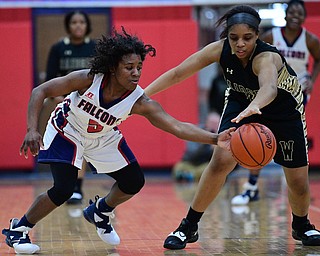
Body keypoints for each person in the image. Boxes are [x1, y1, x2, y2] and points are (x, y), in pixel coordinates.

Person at [1, 27, 234, 255]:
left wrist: (215, 139)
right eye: (129, 67)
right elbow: (39, 91)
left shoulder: (140, 101)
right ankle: (18, 229)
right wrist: (32, 129)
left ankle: (101, 211)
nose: (136, 73)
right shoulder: (88, 79)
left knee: (133, 181)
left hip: (102, 136)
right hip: (67, 130)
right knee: (63, 189)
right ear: (113, 67)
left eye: (139, 67)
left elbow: (177, 126)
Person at [144, 5, 320, 250]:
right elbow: (177, 74)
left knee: (298, 182)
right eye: (233, 38)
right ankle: (189, 226)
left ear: (257, 36)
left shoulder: (266, 57)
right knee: (219, 162)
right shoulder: (219, 50)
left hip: (284, 111)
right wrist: (140, 96)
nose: (240, 44)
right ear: (227, 36)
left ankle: (301, 225)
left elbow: (268, 88)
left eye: (247, 38)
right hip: (241, 102)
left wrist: (255, 106)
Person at [231, 0, 320, 205]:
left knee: (288, 143)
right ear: (286, 15)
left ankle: (295, 189)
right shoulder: (272, 36)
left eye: (300, 13)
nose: (296, 16)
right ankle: (252, 187)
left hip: (294, 97)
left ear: (304, 17)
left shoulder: (310, 40)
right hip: (268, 93)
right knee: (258, 139)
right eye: (292, 12)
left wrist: (312, 81)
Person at [39, 10, 97, 204]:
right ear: (68, 26)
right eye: (74, 22)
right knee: (66, 146)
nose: (78, 25)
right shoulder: (58, 48)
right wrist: (61, 100)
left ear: (87, 25)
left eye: (82, 22)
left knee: (83, 145)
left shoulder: (95, 47)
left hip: (90, 106)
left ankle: (77, 188)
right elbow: (50, 80)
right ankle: (65, 185)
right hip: (63, 104)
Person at [173, 111, 221, 182]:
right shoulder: (197, 132)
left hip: (206, 165)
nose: (214, 126)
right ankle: (188, 176)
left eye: (216, 124)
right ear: (207, 123)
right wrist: (207, 146)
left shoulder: (222, 135)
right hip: (190, 163)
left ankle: (189, 176)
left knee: (208, 169)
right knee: (178, 167)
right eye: (212, 123)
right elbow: (192, 153)